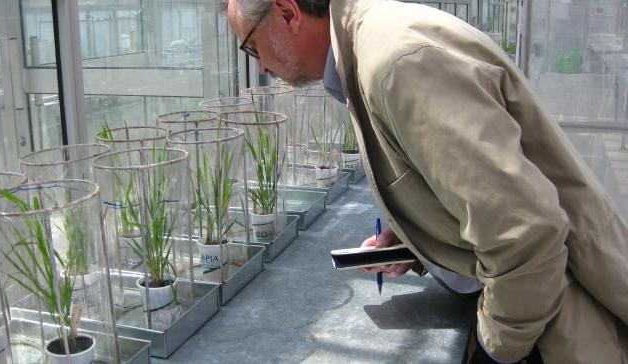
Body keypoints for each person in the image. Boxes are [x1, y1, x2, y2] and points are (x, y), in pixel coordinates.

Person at [225, 0, 628, 363]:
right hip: (537, 311)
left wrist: (496, 348)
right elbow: (478, 191)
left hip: (556, 327)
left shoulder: (398, 62)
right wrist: (414, 240)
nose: (259, 65)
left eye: (252, 46)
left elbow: (525, 233)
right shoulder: (367, 48)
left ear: (288, 12)